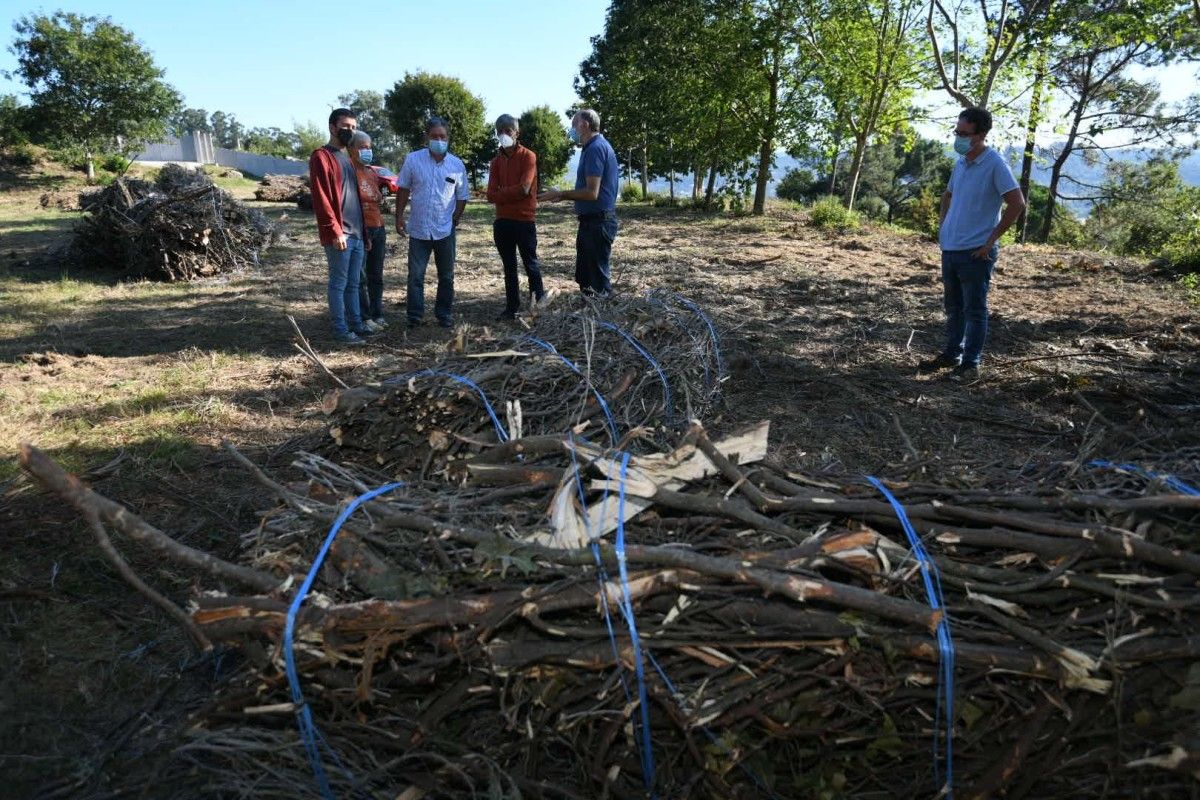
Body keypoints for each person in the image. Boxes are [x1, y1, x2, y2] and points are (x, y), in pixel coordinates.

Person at [919, 106, 1025, 382]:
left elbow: (1017, 203)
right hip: (951, 248)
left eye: (965, 134)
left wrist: (990, 242)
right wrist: (943, 229)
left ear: (982, 134)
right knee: (953, 307)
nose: (959, 138)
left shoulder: (995, 164)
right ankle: (952, 353)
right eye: (957, 132)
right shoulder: (961, 163)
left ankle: (970, 364)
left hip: (976, 251)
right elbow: (948, 195)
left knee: (975, 310)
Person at [308, 107, 376, 345]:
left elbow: (354, 198)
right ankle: (340, 330)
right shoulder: (321, 156)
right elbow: (321, 198)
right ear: (332, 127)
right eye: (346, 127)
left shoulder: (348, 158)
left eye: (354, 127)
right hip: (340, 234)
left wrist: (364, 232)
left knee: (354, 283)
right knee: (339, 283)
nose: (350, 131)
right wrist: (335, 230)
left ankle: (356, 325)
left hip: (356, 232)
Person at [395, 116, 469, 329]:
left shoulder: (456, 165)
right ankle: (415, 316)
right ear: (426, 137)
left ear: (448, 138)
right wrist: (399, 216)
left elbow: (462, 195)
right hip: (418, 229)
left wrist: (455, 219)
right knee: (415, 276)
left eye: (442, 136)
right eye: (434, 136)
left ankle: (443, 314)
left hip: (445, 230)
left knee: (446, 276)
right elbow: (403, 188)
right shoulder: (413, 160)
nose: (439, 140)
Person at [537, 108, 619, 296]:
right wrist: (564, 195)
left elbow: (592, 193)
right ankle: (590, 317)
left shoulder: (596, 148)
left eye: (573, 124)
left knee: (596, 280)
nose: (572, 129)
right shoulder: (592, 147)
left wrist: (562, 194)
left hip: (598, 224)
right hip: (591, 222)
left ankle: (600, 320)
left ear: (584, 125)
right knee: (585, 276)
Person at [486, 114, 544, 320]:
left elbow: (525, 189)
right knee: (509, 267)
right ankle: (512, 307)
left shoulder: (529, 156)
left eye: (507, 131)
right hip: (502, 222)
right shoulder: (495, 162)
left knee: (531, 264)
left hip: (524, 221)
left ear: (516, 133)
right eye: (499, 131)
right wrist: (510, 193)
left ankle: (538, 306)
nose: (503, 135)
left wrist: (502, 193)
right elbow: (490, 194)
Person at [347, 130, 389, 332]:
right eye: (362, 147)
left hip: (378, 227)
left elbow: (378, 198)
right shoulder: (348, 172)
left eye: (369, 147)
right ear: (351, 149)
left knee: (376, 275)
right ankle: (363, 317)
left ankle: (377, 313)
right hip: (359, 229)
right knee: (360, 277)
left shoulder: (372, 172)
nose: (367, 151)